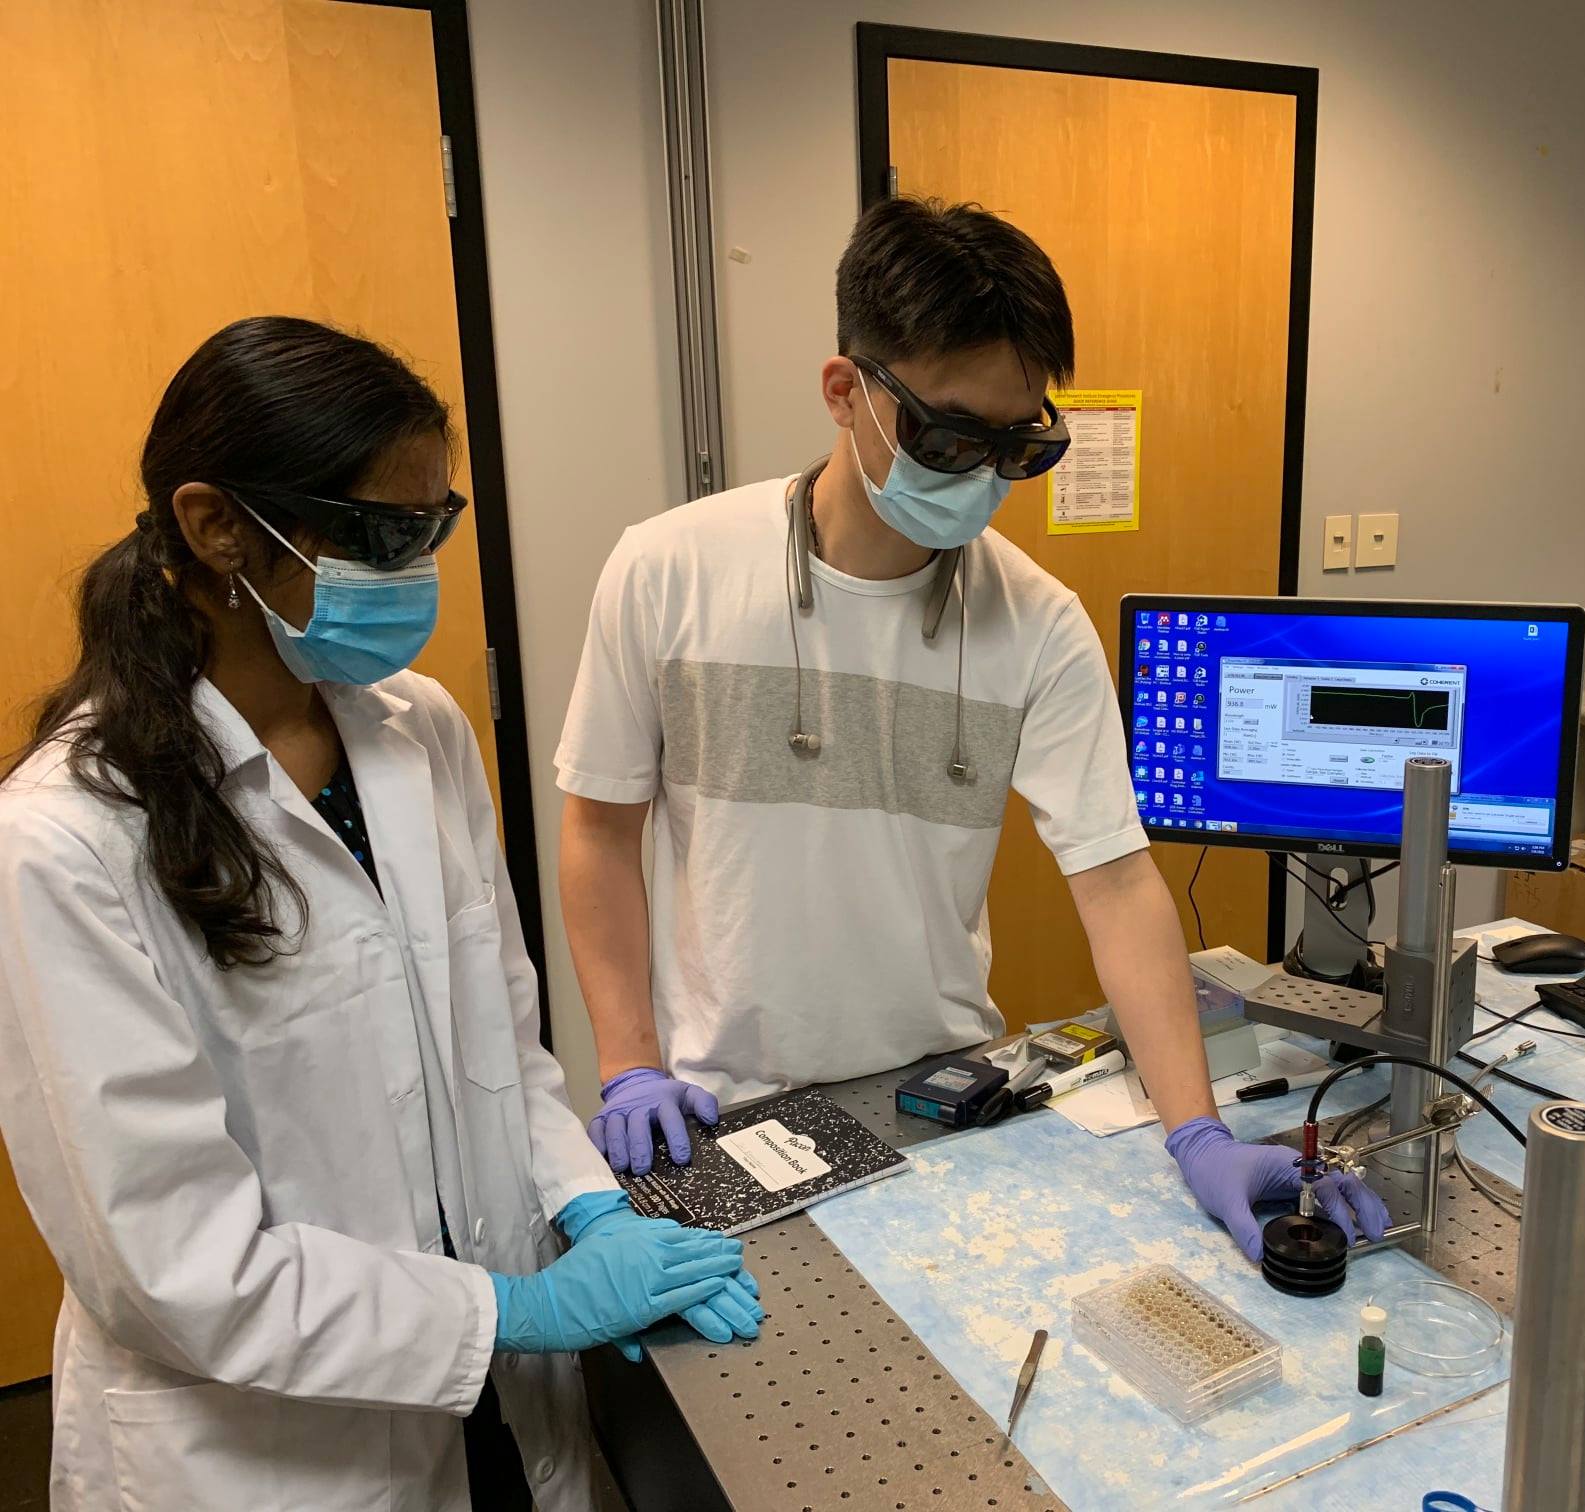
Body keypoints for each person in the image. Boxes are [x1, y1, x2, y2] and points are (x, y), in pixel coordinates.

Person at [0, 317, 762, 1512]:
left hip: (497, 1415)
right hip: (269, 1452)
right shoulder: (66, 840)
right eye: (381, 533)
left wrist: (588, 1208)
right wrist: (518, 1308)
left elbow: (501, 1046)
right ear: (213, 528)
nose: (414, 571)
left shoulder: (417, 731)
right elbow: (173, 1267)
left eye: (432, 529)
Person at [557, 197, 1386, 1263]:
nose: (980, 482)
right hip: (726, 1104)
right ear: (845, 390)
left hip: (937, 1098)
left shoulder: (1035, 622)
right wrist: (627, 1060)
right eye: (949, 438)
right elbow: (598, 829)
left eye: (1015, 447)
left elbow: (1120, 882)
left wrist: (1195, 1129)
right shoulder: (669, 570)